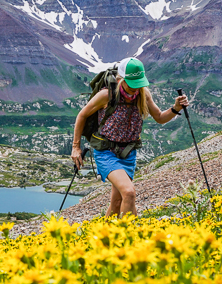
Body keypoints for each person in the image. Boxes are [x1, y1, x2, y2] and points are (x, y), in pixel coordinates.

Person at [71, 57, 189, 218]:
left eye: (139, 83)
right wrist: (75, 147)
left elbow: (160, 118)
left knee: (117, 202)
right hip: (106, 152)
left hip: (128, 153)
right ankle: (128, 239)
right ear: (121, 79)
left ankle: (102, 239)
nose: (136, 88)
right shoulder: (106, 95)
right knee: (129, 193)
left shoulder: (143, 94)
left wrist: (175, 108)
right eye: (132, 83)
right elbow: (82, 115)